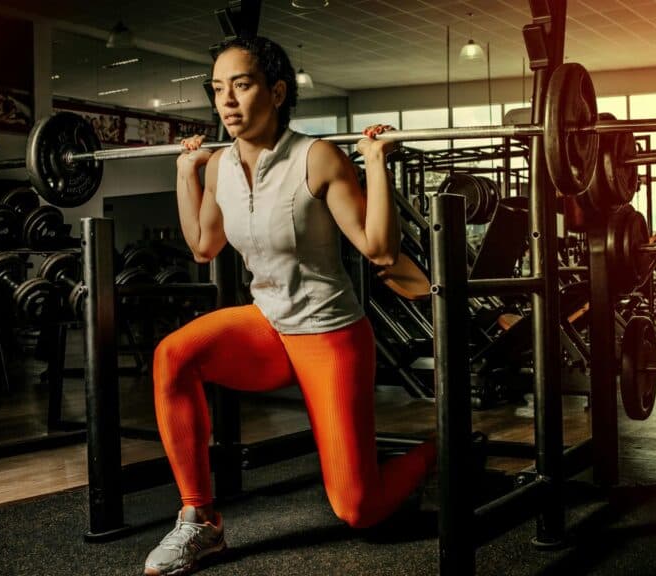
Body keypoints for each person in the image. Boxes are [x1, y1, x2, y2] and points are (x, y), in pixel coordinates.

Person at [144, 36, 437, 576]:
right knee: (172, 356)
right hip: (268, 325)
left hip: (329, 334)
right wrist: (186, 176)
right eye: (217, 89)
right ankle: (199, 521)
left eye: (242, 85)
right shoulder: (220, 168)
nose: (226, 101)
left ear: (277, 92)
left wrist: (376, 162)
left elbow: (378, 249)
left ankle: (438, 452)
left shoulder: (316, 157)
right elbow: (203, 246)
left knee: (357, 509)